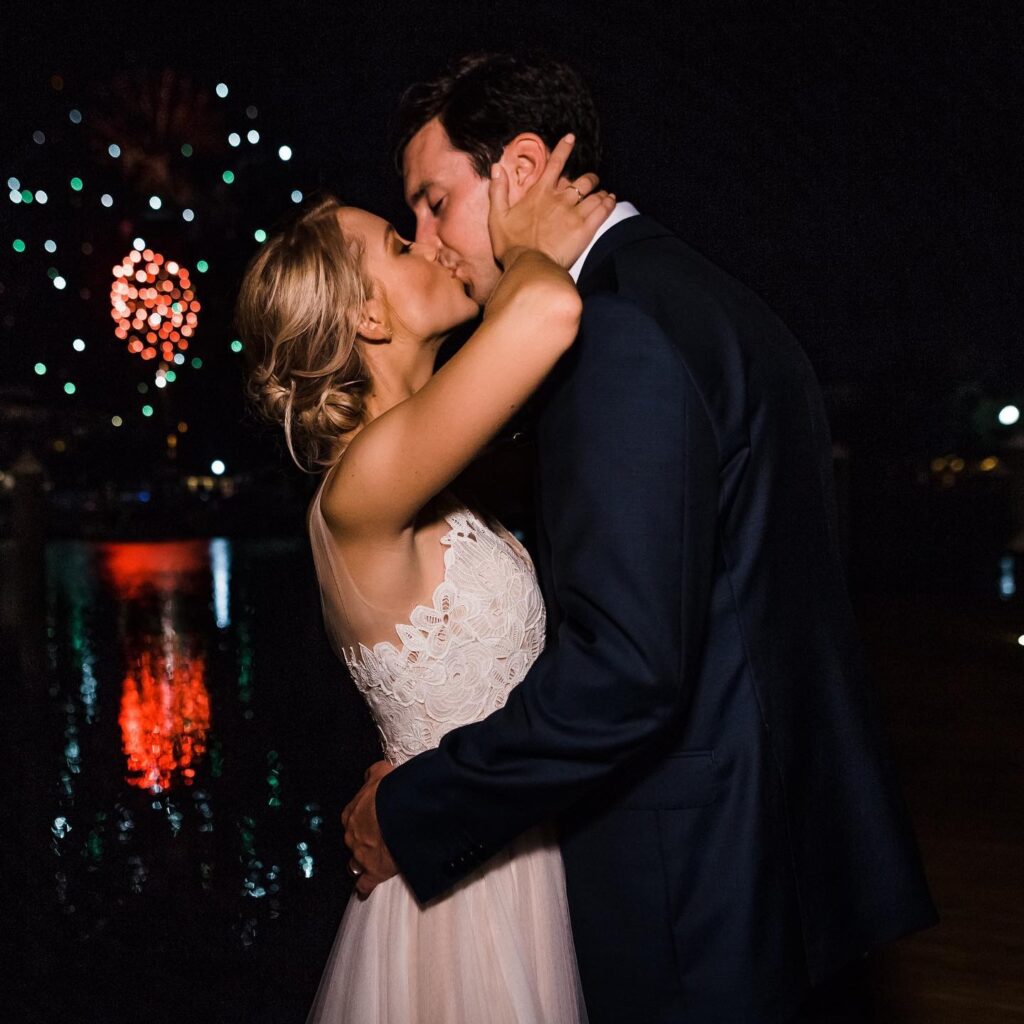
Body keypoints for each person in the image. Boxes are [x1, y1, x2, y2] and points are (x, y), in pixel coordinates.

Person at [341, 52, 938, 1023]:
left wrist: (417, 808)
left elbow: (625, 666)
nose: (429, 238)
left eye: (433, 202)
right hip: (762, 849)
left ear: (521, 168)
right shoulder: (691, 293)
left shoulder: (620, 332)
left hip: (688, 886)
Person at [236, 137, 616, 1022]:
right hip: (466, 906)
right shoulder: (361, 484)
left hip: (494, 841)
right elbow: (548, 313)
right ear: (368, 317)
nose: (434, 242)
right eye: (402, 248)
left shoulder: (424, 472)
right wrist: (526, 235)